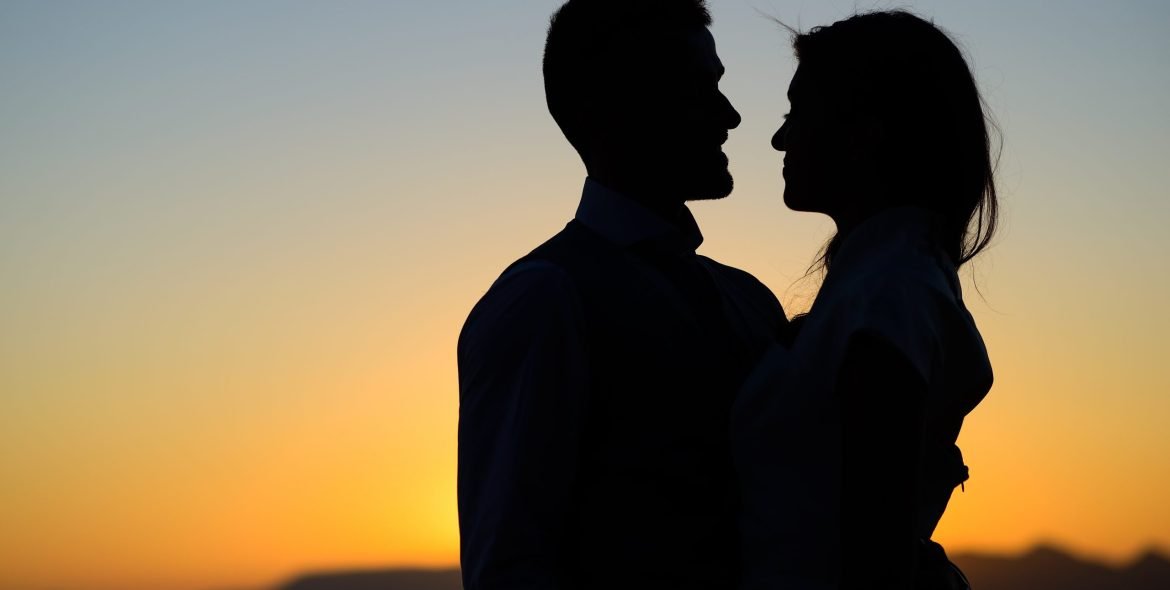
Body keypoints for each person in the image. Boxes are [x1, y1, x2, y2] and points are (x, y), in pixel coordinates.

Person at [457, 1, 787, 589]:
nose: (730, 116)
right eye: (699, 89)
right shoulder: (544, 300)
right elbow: (508, 557)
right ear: (616, 111)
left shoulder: (749, 301)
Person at [732, 10, 999, 590]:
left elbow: (871, 550)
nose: (780, 137)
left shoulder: (888, 295)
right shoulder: (885, 283)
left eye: (797, 113)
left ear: (865, 133)